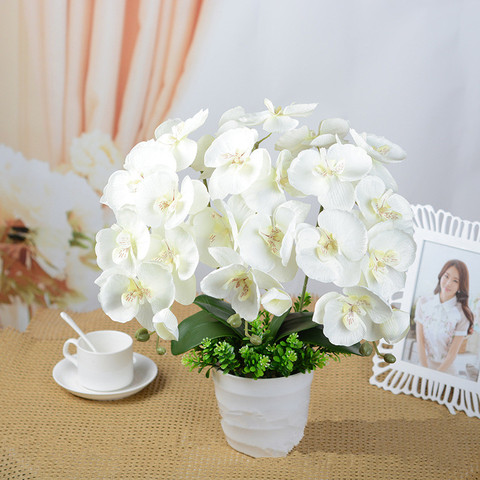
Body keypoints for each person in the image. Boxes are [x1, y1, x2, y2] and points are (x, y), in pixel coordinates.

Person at [415, 259, 474, 375]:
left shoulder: (462, 314)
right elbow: (420, 341)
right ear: (441, 276)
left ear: (460, 286)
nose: (448, 283)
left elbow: (452, 354)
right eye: (446, 276)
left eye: (455, 281)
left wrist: (435, 376)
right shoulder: (423, 303)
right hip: (423, 364)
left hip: (447, 370)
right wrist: (425, 370)